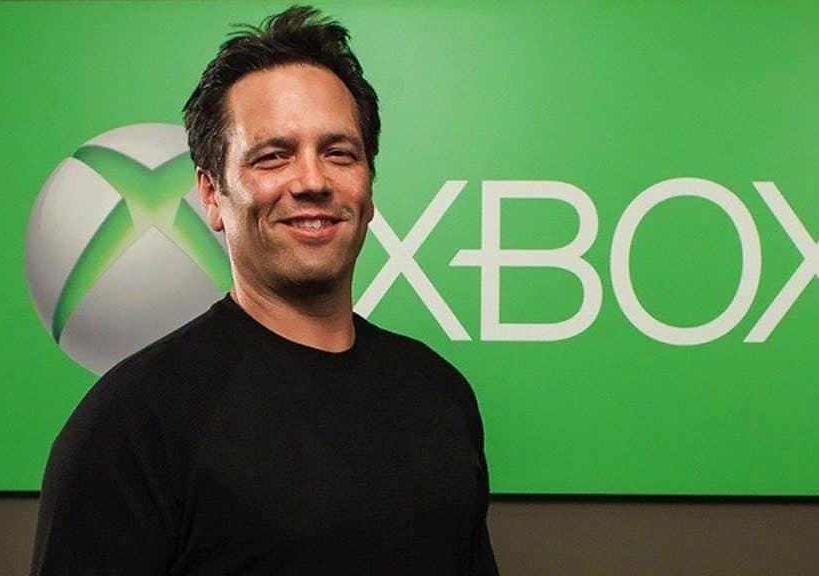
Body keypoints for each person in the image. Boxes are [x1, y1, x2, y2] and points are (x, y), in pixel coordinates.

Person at [30, 5, 498, 575]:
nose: (312, 181)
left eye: (339, 153)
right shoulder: (132, 424)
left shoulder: (439, 395)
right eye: (273, 157)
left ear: (368, 186)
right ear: (211, 194)